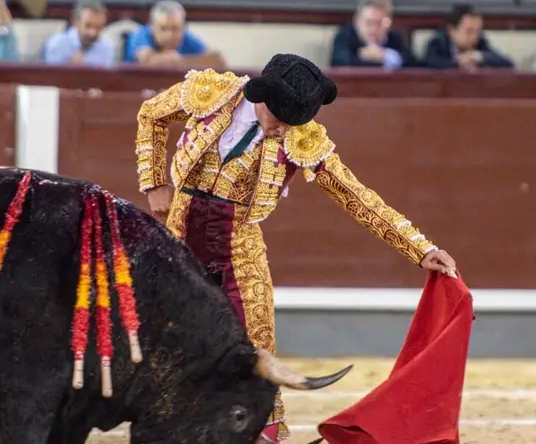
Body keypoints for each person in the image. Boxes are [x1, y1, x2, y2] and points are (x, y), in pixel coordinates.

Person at [134, 54, 458, 443]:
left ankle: (262, 434)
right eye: (280, 118)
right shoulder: (211, 93)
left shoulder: (301, 137)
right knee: (167, 336)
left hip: (239, 241)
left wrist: (419, 248)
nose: (284, 128)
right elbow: (151, 114)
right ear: (263, 98)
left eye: (293, 121)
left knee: (258, 344)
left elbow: (352, 193)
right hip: (179, 232)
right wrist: (154, 182)